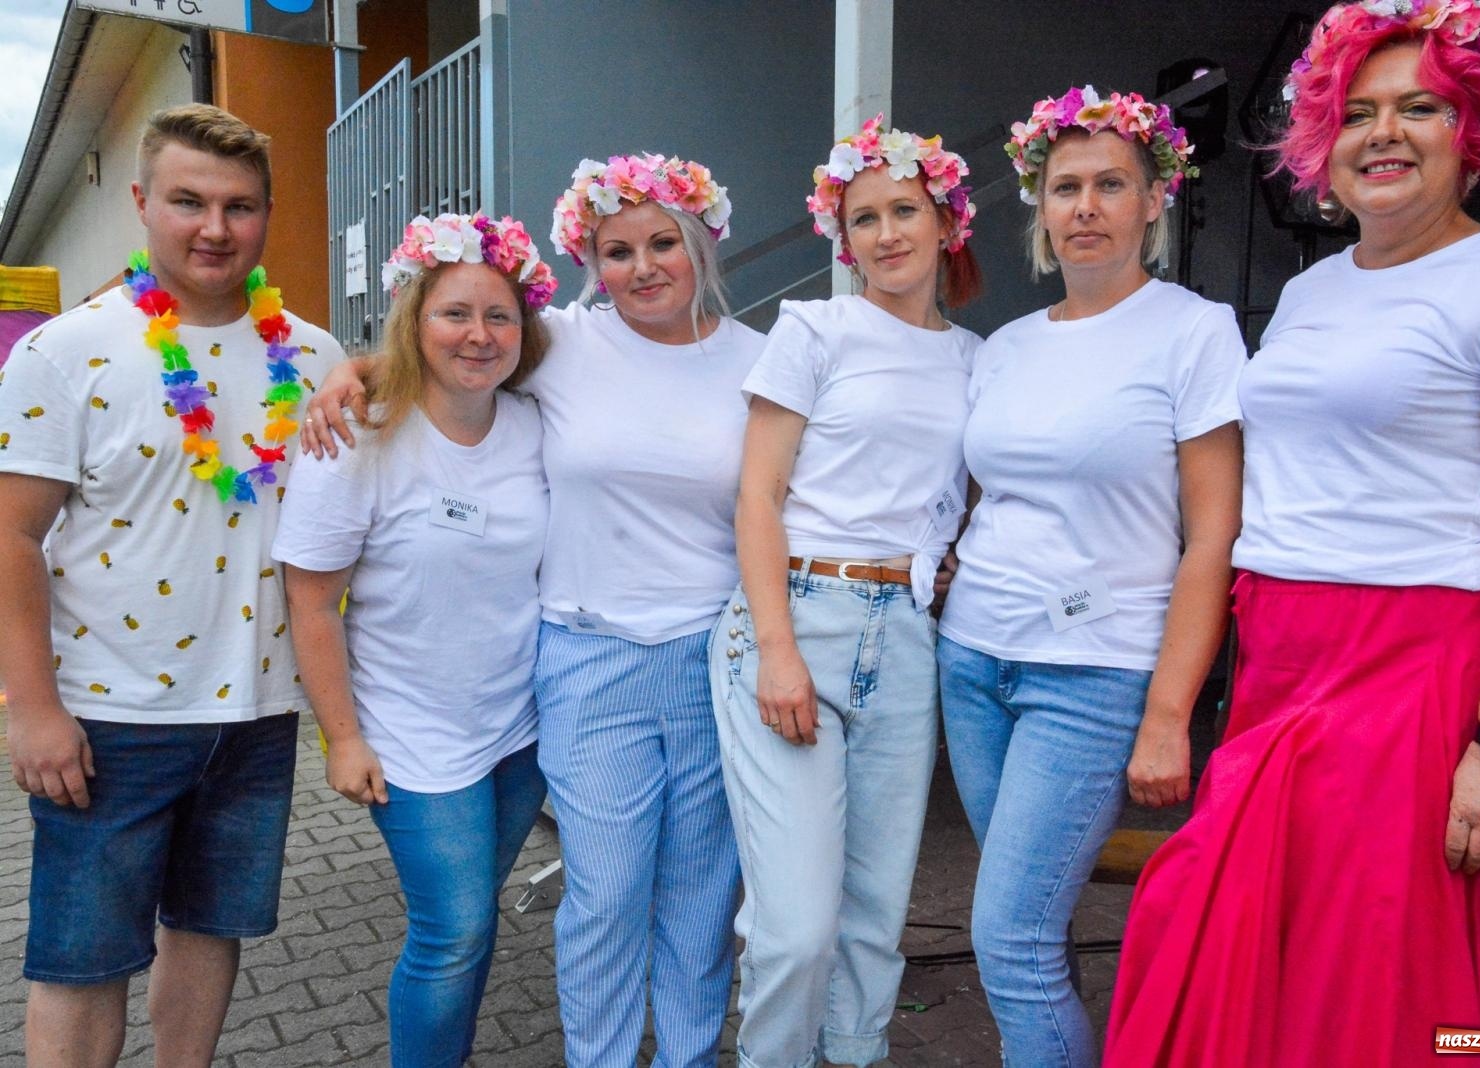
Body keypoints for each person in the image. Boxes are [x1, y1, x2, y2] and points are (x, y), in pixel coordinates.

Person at [1106, 3, 1480, 1065]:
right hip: (1285, 664)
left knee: (1387, 992)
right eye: (1359, 112)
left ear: (1472, 127)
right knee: (1253, 961)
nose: (1383, 134)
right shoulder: (1315, 287)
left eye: (1419, 108)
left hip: (1420, 679)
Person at [306, 153, 758, 1068]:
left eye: (663, 242)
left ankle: (689, 1055)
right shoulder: (567, 341)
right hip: (586, 656)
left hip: (716, 653)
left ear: (702, 243)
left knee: (703, 894)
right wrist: (351, 375)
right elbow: (452, 339)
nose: (643, 267)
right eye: (616, 249)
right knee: (604, 893)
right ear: (591, 260)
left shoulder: (760, 358)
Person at [0, 104, 343, 1067]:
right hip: (109, 716)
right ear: (144, 202)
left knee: (208, 928)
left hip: (259, 709)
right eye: (188, 201)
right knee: (80, 960)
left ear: (267, 215)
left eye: (240, 206)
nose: (214, 228)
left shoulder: (309, 356)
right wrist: (32, 709)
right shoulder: (66, 351)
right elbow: (10, 535)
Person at [936, 88, 1242, 1067]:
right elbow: (992, 495)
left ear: (1154, 201)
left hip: (1094, 675)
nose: (1085, 206)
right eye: (1064, 186)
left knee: (1009, 939)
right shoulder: (1008, 347)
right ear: (1040, 206)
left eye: (1111, 184)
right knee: (1034, 923)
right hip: (973, 659)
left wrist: (1166, 712)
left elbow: (1211, 537)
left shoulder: (1194, 333)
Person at [712, 114, 982, 1068]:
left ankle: (856, 1054)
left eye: (904, 210)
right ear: (843, 236)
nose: (886, 235)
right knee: (794, 928)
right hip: (795, 622)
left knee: (875, 915)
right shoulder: (813, 329)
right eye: (863, 219)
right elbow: (757, 495)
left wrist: (947, 559)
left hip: (905, 634)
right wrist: (778, 648)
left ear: (947, 221)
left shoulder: (973, 358)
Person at [274, 212, 556, 1067]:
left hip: (523, 727)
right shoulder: (357, 436)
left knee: (470, 926)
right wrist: (342, 737)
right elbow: (311, 601)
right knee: (454, 928)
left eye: (498, 316)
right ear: (414, 320)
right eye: (454, 314)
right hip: (411, 736)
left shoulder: (537, 423)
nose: (479, 335)